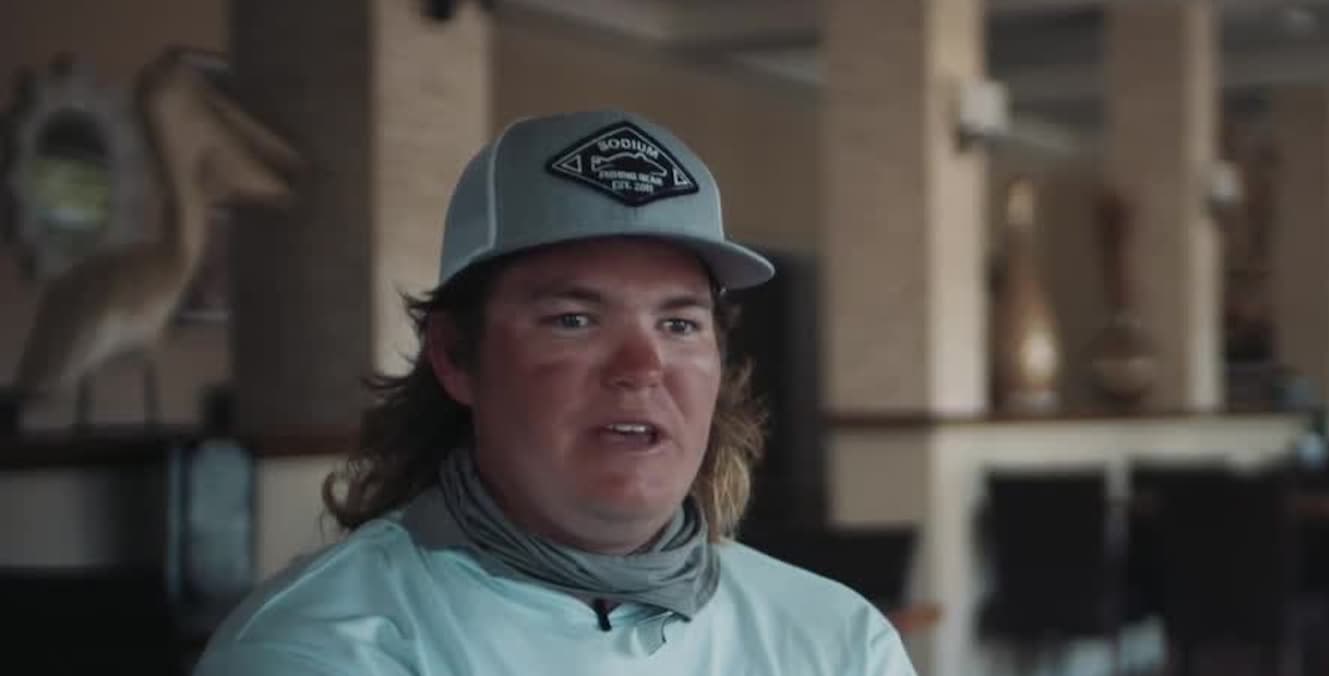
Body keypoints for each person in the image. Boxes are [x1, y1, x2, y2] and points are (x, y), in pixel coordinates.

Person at [193, 110, 916, 675]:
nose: (642, 366)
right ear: (455, 356)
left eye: (678, 323)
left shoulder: (838, 641)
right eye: (574, 319)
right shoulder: (321, 648)